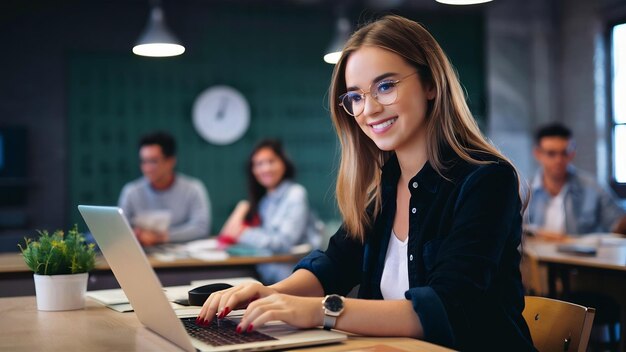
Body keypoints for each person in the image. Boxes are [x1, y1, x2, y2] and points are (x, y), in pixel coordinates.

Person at [197, 15, 535, 351]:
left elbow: (446, 308)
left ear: (431, 83)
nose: (368, 109)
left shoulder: (487, 180)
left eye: (385, 86)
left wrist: (320, 312)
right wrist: (271, 293)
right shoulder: (383, 187)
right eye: (355, 97)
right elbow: (333, 266)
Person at [218, 139, 323, 284]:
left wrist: (243, 233)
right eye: (259, 164)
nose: (265, 169)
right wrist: (241, 210)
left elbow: (283, 243)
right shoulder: (264, 201)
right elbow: (228, 235)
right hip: (267, 272)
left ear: (283, 163)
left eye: (271, 161)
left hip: (295, 275)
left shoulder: (295, 193)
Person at [525, 123, 625, 240]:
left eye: (565, 153)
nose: (559, 160)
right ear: (537, 154)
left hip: (580, 258)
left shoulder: (592, 186)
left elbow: (617, 223)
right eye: (551, 154)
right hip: (537, 257)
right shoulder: (525, 190)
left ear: (573, 153)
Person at [118, 131, 211, 246]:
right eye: (143, 161)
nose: (147, 168)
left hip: (182, 260)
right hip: (139, 255)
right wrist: (137, 234)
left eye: (153, 161)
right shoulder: (131, 191)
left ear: (170, 161)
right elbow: (119, 229)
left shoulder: (193, 189)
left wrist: (162, 237)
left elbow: (201, 228)